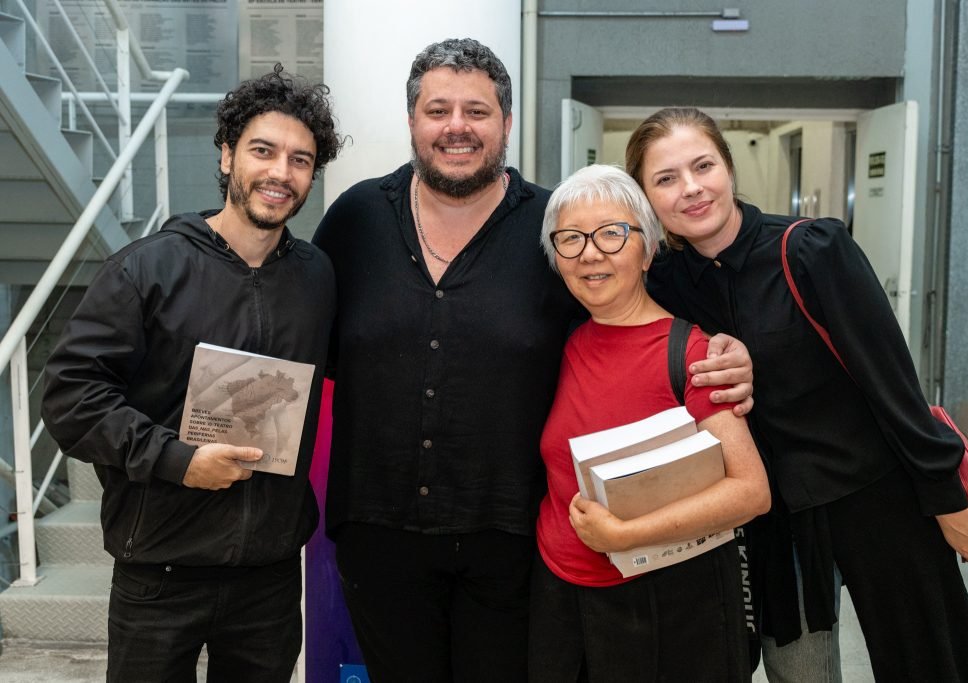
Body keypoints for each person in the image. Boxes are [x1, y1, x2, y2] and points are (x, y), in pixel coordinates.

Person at [312, 39, 754, 682]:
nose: (457, 127)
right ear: (412, 121)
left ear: (507, 124)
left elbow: (638, 302)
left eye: (478, 111)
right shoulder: (354, 218)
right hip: (378, 535)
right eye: (438, 110)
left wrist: (733, 346)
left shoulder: (555, 231)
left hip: (513, 543)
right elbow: (298, 324)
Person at [627, 107, 968, 682]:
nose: (691, 189)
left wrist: (946, 498)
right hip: (774, 521)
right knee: (800, 673)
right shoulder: (665, 283)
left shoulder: (810, 249)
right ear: (647, 197)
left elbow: (892, 381)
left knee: (931, 664)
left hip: (876, 497)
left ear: (728, 167)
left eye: (703, 165)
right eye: (666, 178)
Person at [40, 64, 341, 682]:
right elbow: (72, 396)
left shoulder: (318, 278)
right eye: (263, 151)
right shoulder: (146, 270)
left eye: (300, 159)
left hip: (270, 577)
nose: (281, 173)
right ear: (228, 155)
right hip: (160, 573)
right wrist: (177, 459)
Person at [529, 164, 770, 682]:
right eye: (570, 239)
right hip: (560, 600)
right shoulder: (563, 344)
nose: (591, 253)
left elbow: (751, 492)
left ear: (649, 249)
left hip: (668, 605)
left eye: (613, 234)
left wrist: (626, 534)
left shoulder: (695, 354)